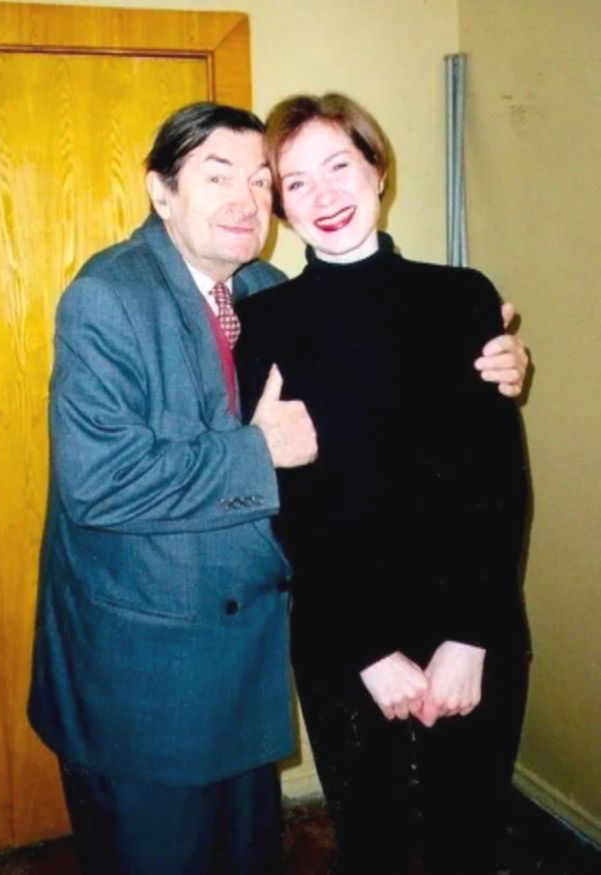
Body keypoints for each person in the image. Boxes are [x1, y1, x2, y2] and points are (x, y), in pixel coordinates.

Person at [28, 100, 527, 875]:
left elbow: (475, 470)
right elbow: (100, 484)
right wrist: (260, 456)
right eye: (218, 175)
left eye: (261, 180)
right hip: (149, 673)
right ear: (161, 191)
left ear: (377, 172)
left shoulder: (259, 290)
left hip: (250, 662)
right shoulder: (113, 297)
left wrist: (498, 358)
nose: (246, 199)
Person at [235, 93, 531, 875]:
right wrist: (368, 651)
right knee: (372, 846)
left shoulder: (461, 295)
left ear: (376, 168)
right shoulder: (265, 321)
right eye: (296, 182)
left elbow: (498, 484)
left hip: (472, 624)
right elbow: (289, 505)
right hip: (343, 638)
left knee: (467, 841)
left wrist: (468, 638)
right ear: (280, 206)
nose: (324, 196)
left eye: (339, 166)